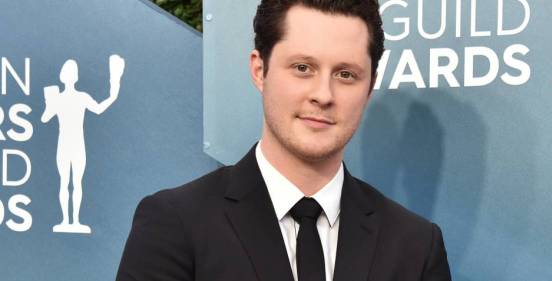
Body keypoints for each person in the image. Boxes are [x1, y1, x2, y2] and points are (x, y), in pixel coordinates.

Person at [116, 1, 451, 280]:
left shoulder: (416, 246)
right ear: (260, 70)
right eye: (303, 67)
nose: (323, 95)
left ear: (369, 87)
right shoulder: (175, 224)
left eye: (346, 74)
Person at [42, 55, 125, 234]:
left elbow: (99, 108)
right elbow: (45, 117)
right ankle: (66, 221)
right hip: (66, 145)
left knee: (74, 182)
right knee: (66, 182)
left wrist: (115, 86)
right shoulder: (63, 98)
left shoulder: (81, 97)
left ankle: (74, 221)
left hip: (75, 145)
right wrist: (50, 102)